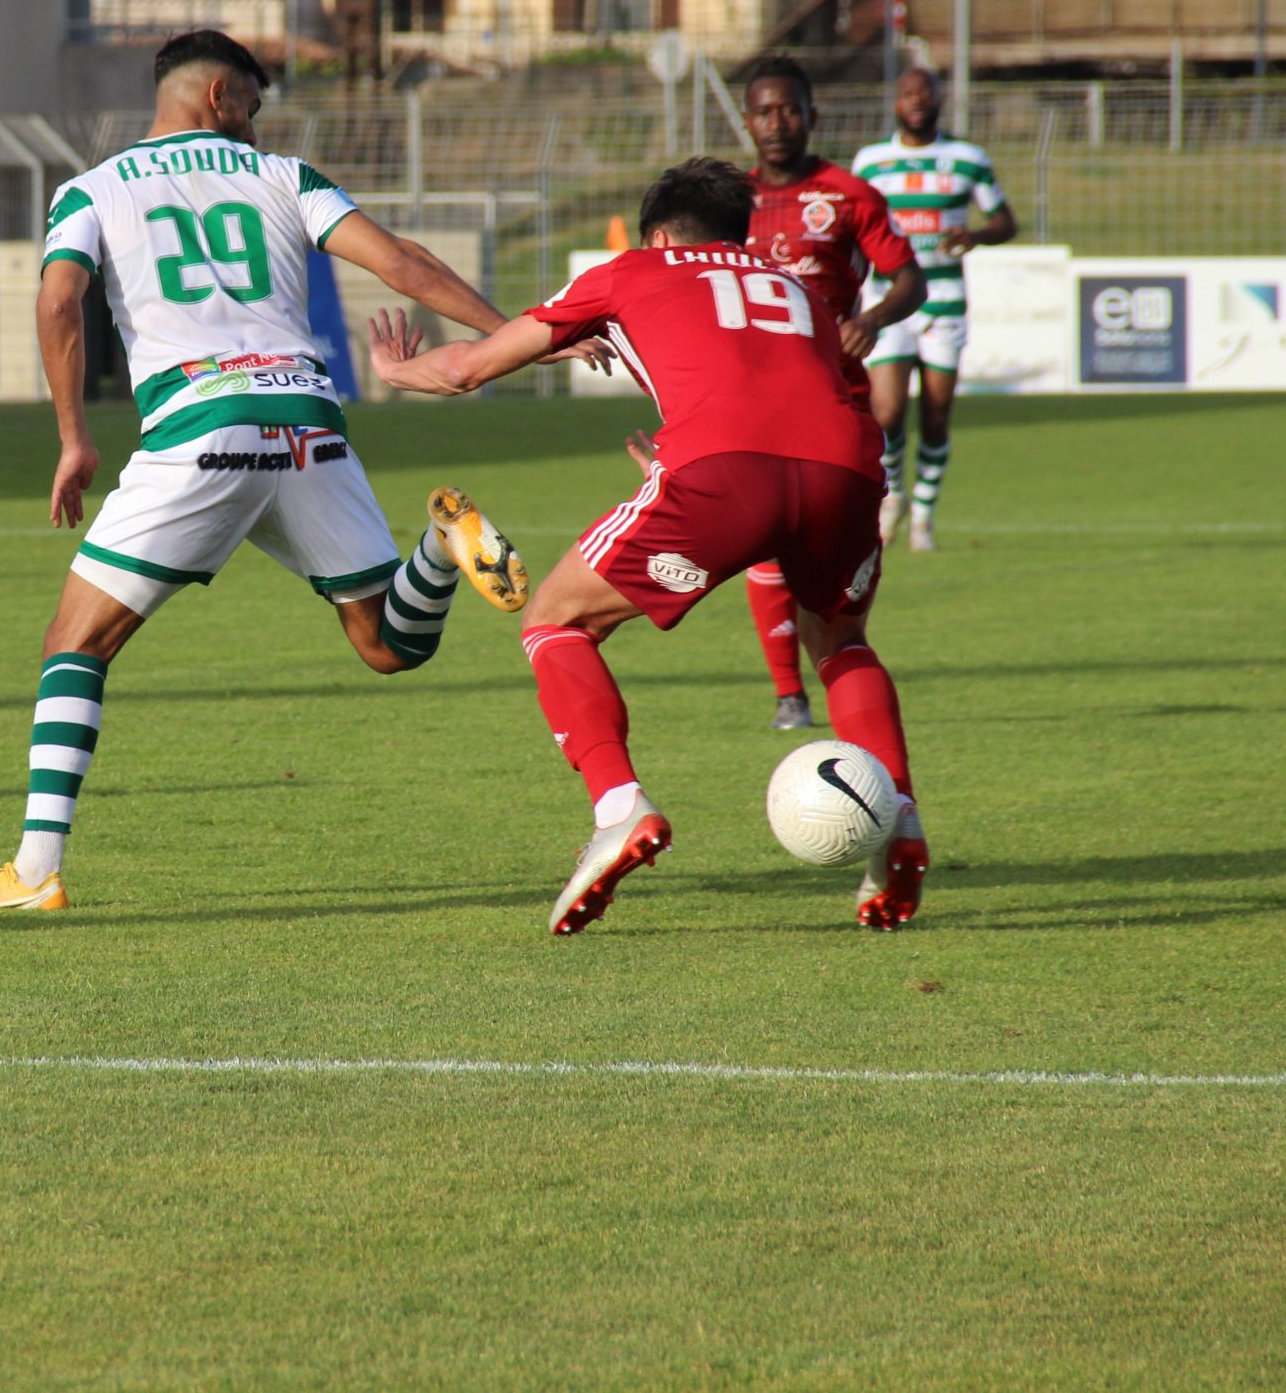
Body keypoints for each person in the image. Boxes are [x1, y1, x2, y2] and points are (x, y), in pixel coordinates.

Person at [0, 29, 569, 912]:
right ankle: (437, 543)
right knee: (389, 643)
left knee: (74, 644)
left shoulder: (91, 189)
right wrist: (515, 337)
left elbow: (57, 299)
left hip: (202, 430)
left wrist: (75, 437)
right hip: (310, 425)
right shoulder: (287, 180)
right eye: (254, 109)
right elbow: (403, 264)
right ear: (221, 96)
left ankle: (34, 873)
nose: (257, 129)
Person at [366, 156, 928, 935]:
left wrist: (393, 369)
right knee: (840, 640)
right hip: (846, 469)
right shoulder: (794, 285)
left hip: (722, 477)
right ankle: (898, 815)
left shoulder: (635, 268)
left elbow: (467, 367)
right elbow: (781, 389)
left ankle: (618, 807)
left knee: (556, 620)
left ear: (659, 233)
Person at [738, 56, 921, 730]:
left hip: (839, 401)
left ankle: (839, 661)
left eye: (789, 109)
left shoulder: (848, 194)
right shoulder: (730, 203)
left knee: (837, 560)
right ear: (748, 120)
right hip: (756, 405)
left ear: (812, 116)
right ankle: (789, 692)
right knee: (765, 544)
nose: (777, 122)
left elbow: (910, 278)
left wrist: (871, 319)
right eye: (764, 110)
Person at [853, 67, 1015, 547]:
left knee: (937, 414)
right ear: (896, 102)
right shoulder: (871, 161)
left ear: (940, 99)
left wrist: (976, 235)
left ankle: (924, 513)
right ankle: (894, 497)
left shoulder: (967, 159)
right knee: (886, 412)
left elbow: (1006, 221)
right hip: (888, 301)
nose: (917, 99)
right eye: (907, 92)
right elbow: (854, 226)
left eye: (925, 91)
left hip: (944, 299)